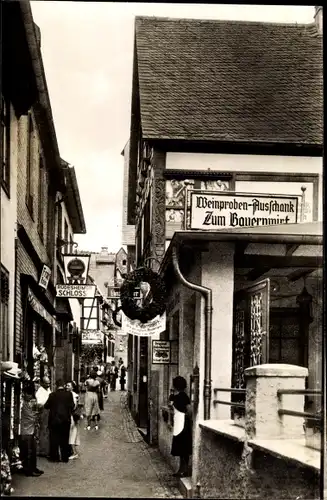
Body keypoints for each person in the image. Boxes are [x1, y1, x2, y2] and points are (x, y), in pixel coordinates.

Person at [44, 379, 74, 463]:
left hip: (54, 420)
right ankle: (65, 457)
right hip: (65, 420)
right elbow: (72, 405)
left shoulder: (52, 395)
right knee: (64, 438)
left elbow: (46, 406)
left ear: (56, 385)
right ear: (63, 385)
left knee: (54, 439)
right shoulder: (69, 394)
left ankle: (54, 457)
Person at [169, 376, 192, 478]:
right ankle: (181, 470)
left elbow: (188, 410)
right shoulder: (180, 396)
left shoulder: (181, 397)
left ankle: (184, 470)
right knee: (182, 450)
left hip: (182, 423)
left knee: (183, 449)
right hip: (179, 423)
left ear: (176, 386)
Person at [19, 382, 44, 477]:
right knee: (28, 451)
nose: (29, 396)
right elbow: (33, 416)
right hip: (26, 431)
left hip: (31, 430)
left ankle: (33, 468)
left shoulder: (30, 402)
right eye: (27, 394)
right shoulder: (24, 404)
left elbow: (35, 414)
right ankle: (28, 470)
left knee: (32, 451)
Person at [35, 376, 51, 457]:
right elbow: (39, 403)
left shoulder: (48, 389)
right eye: (46, 383)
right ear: (42, 383)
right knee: (43, 430)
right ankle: (42, 450)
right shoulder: (39, 391)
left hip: (49, 411)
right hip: (44, 411)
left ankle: (46, 449)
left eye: (49, 383)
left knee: (47, 431)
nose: (48, 385)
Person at [66, 381, 81, 460]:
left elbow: (73, 407)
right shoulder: (71, 395)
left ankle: (74, 452)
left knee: (72, 434)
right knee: (71, 434)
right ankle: (72, 451)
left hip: (71, 417)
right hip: (71, 416)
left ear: (72, 387)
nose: (67, 387)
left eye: (68, 386)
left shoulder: (74, 395)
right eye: (66, 385)